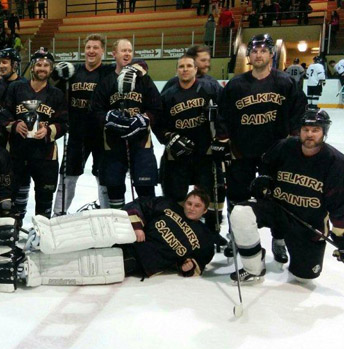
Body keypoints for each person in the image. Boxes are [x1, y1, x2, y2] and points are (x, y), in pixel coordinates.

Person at [230, 109, 344, 284]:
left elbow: (339, 204)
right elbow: (266, 163)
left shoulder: (335, 162)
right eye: (306, 129)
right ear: (299, 131)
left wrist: (342, 237)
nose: (309, 134)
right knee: (240, 212)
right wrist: (264, 180)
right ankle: (253, 267)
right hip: (278, 209)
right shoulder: (286, 146)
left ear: (324, 132)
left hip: (307, 222)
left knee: (303, 278)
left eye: (315, 130)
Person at [218, 34, 306, 260]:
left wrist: (293, 140)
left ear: (271, 54)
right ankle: (235, 236)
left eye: (263, 51)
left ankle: (279, 238)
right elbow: (223, 115)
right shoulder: (236, 85)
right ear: (249, 55)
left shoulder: (286, 83)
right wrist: (225, 139)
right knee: (237, 197)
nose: (258, 54)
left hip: (276, 153)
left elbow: (298, 112)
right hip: (242, 152)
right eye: (254, 51)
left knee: (279, 197)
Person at [156, 54, 228, 249]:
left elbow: (224, 115)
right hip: (178, 156)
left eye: (189, 66)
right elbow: (158, 125)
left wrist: (222, 139)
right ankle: (179, 231)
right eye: (181, 66)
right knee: (176, 195)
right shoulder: (168, 96)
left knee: (209, 195)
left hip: (205, 154)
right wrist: (169, 138)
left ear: (196, 69)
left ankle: (212, 232)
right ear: (176, 70)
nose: (185, 69)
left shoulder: (210, 90)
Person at [91, 39, 161, 209]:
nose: (127, 54)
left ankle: (147, 226)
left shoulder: (144, 80)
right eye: (123, 50)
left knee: (145, 187)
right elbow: (96, 111)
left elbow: (157, 107)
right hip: (113, 143)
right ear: (114, 54)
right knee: (114, 188)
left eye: (130, 50)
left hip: (141, 142)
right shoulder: (106, 81)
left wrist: (144, 118)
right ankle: (120, 228)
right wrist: (109, 118)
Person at [51, 34, 115, 215]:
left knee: (103, 178)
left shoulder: (108, 72)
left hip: (102, 135)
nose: (91, 51)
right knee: (68, 177)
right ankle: (58, 214)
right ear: (84, 50)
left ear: (103, 51)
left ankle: (106, 216)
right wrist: (56, 73)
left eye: (96, 47)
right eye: (88, 47)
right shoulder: (73, 71)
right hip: (77, 135)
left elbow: (132, 67)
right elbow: (51, 87)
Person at [1, 48, 68, 220]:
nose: (42, 68)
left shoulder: (57, 94)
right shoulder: (16, 88)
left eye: (46, 65)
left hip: (45, 157)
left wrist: (48, 131)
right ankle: (15, 232)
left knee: (45, 200)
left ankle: (41, 236)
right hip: (17, 154)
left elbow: (64, 123)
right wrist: (14, 125)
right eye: (39, 64)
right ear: (32, 67)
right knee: (16, 198)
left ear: (51, 69)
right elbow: (3, 114)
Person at [120, 189, 216, 277]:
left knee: (112, 264)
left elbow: (203, 259)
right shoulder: (168, 205)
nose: (191, 208)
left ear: (205, 210)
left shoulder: (205, 237)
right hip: (131, 241)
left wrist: (190, 265)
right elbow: (140, 204)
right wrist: (137, 226)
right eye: (189, 203)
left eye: (197, 206)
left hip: (145, 262)